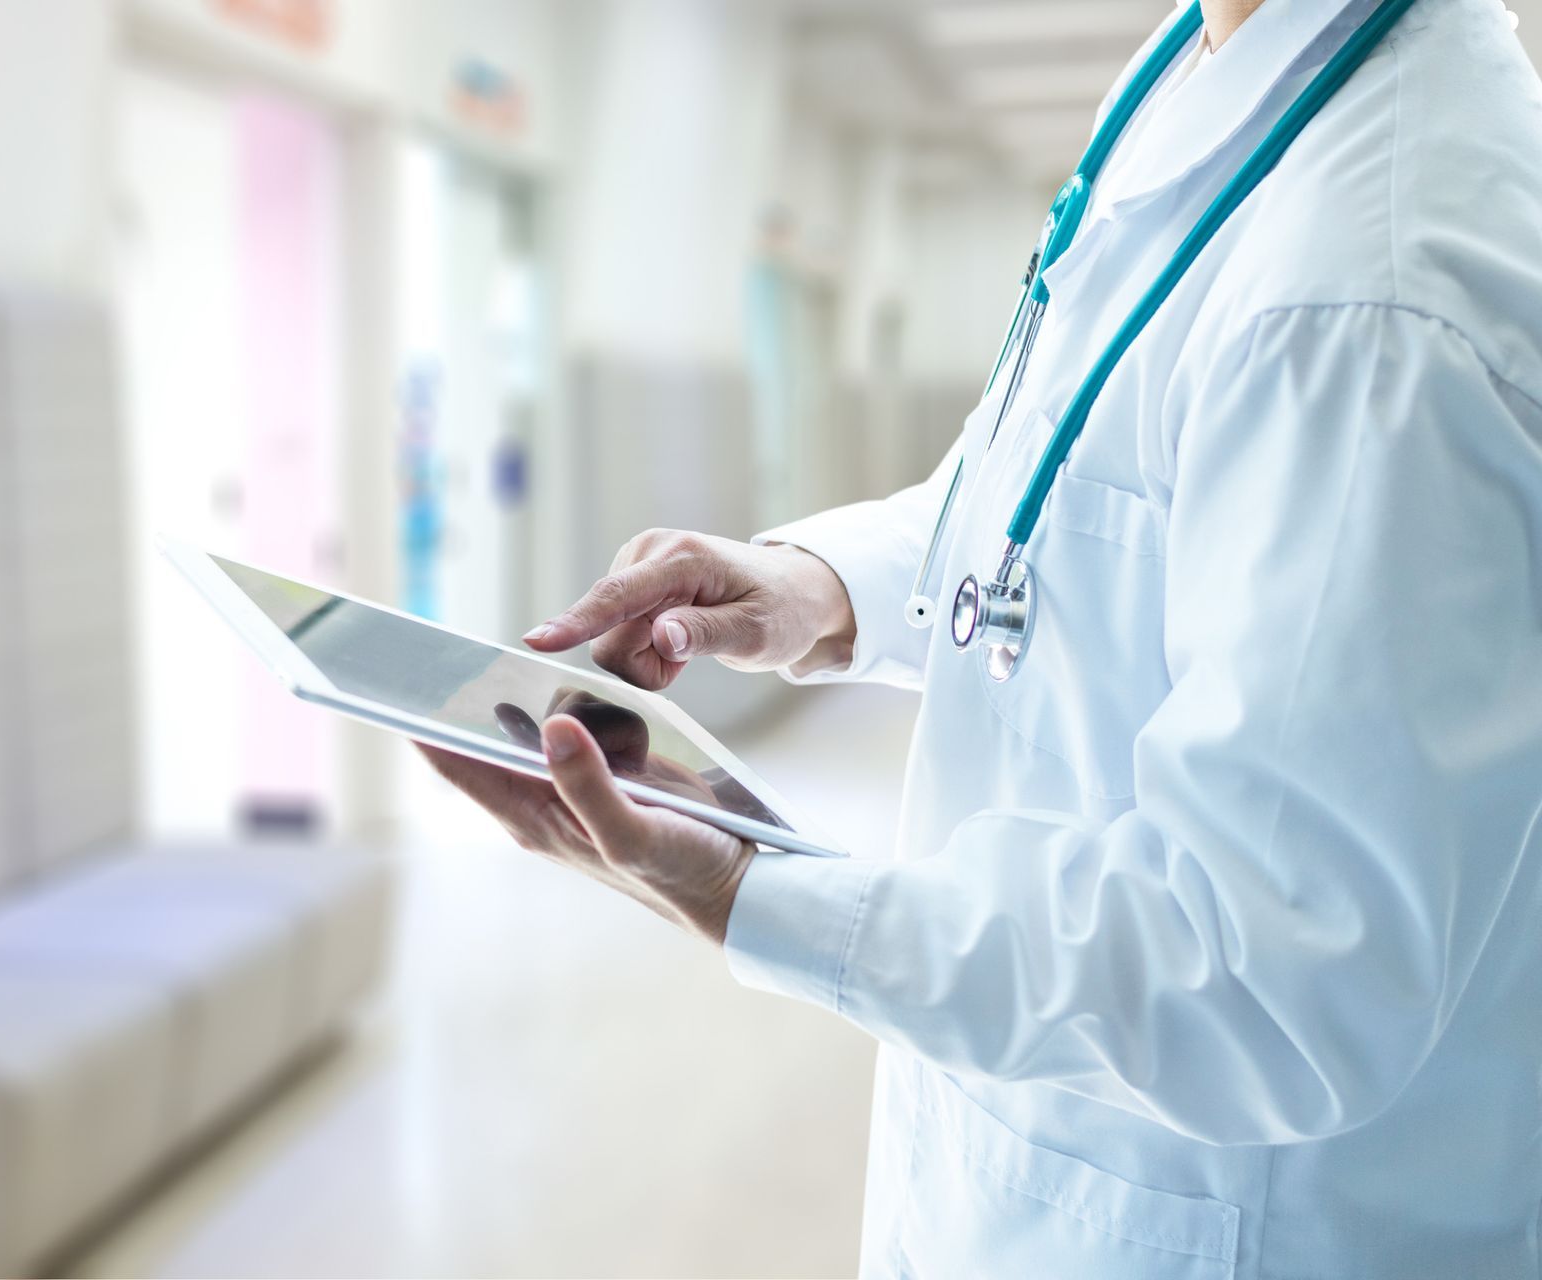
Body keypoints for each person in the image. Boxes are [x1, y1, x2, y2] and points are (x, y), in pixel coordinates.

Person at [422, 0, 1542, 1275]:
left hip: (1229, 1228)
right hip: (1032, 1179)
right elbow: (1056, 491)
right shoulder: (1205, 68)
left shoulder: (1377, 282)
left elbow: (1278, 971)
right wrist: (812, 584)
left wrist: (755, 892)